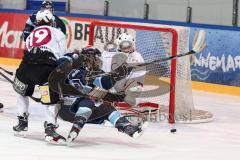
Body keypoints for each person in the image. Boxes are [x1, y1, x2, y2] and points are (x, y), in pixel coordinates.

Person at [48, 47, 146, 143]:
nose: (98, 62)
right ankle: (75, 128)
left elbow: (106, 83)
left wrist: (119, 74)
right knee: (87, 100)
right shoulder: (75, 70)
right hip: (67, 109)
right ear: (89, 59)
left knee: (107, 109)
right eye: (96, 59)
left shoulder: (93, 73)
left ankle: (127, 127)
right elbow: (92, 85)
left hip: (81, 112)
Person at [13, 10, 67, 144]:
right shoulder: (58, 32)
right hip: (45, 69)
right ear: (51, 21)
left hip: (27, 66)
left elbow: (27, 48)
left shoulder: (31, 33)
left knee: (22, 93)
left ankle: (22, 123)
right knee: (50, 100)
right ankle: (49, 128)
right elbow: (61, 56)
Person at [101, 33, 146, 105]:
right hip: (111, 84)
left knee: (136, 93)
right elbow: (103, 72)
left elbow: (138, 78)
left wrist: (124, 88)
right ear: (118, 45)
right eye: (123, 46)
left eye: (128, 46)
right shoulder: (108, 54)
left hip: (126, 86)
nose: (126, 49)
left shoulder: (137, 58)